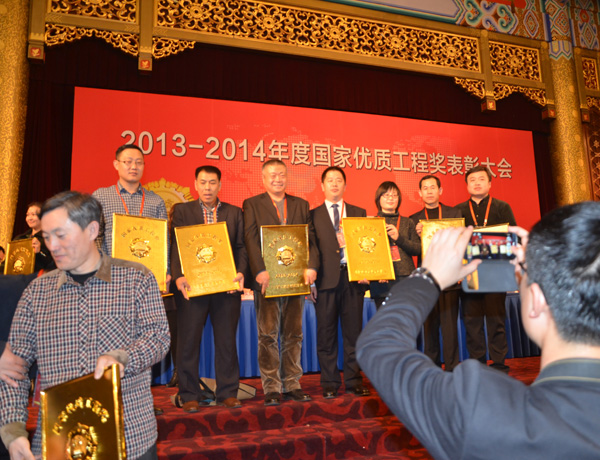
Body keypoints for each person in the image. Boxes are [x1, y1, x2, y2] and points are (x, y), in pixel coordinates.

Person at [358, 202, 600, 459]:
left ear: (538, 301)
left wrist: (428, 277)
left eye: (523, 273)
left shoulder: (481, 408)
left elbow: (378, 345)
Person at [0, 191, 170, 460]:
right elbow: (13, 369)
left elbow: (158, 337)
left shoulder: (136, 278)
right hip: (58, 443)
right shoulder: (36, 292)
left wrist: (124, 357)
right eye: (46, 236)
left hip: (129, 437)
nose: (52, 245)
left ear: (92, 230)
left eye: (61, 235)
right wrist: (13, 431)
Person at [93, 144, 173, 399]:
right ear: (116, 164)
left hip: (145, 283)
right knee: (111, 337)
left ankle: (140, 398)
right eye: (127, 161)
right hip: (110, 281)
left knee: (144, 339)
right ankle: (108, 396)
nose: (133, 166)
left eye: (138, 162)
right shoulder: (101, 196)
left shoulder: (155, 201)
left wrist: (165, 271)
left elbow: (164, 241)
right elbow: (94, 236)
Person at [170, 166, 247, 412]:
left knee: (226, 342)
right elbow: (175, 246)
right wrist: (178, 276)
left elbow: (241, 246)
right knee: (188, 342)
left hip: (226, 288)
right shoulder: (182, 211)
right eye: (203, 182)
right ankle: (189, 394)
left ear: (220, 185)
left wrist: (240, 272)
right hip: (192, 287)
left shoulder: (234, 212)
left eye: (212, 183)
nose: (207, 187)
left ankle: (228, 393)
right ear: (195, 184)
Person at [243, 159, 318, 406]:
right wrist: (259, 271)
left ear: (287, 177)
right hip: (267, 280)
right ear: (263, 179)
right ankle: (272, 386)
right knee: (267, 335)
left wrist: (311, 268)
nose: (278, 179)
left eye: (282, 175)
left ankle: (293, 383)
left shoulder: (300, 204)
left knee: (294, 334)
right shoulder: (252, 204)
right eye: (273, 175)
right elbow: (250, 239)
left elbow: (310, 240)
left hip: (295, 278)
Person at [310, 166, 371, 398]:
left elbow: (367, 246)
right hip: (325, 280)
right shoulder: (312, 215)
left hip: (352, 280)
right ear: (322, 185)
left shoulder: (358, 212)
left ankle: (354, 380)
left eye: (339, 180)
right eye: (330, 180)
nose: (334, 184)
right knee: (326, 334)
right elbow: (311, 249)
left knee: (354, 333)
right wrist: (311, 282)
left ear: (345, 185)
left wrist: (366, 270)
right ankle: (329, 382)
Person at [455, 165, 516, 373]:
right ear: (467, 185)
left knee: (496, 319)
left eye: (481, 179)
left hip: (496, 272)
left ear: (490, 183)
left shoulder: (502, 207)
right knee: (472, 321)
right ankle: (478, 363)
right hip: (470, 273)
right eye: (472, 180)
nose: (477, 183)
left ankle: (499, 363)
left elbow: (512, 237)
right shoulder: (458, 211)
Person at [409, 175, 462, 372]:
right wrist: (417, 235)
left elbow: (460, 242)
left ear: (440, 191)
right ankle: (432, 368)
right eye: (425, 188)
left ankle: (452, 368)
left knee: (449, 328)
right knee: (429, 327)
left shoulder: (453, 214)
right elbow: (414, 248)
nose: (429, 191)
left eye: (433, 187)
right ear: (420, 193)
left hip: (449, 277)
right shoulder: (414, 219)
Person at [370, 181, 421, 309]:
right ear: (378, 199)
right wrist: (377, 272)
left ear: (399, 199)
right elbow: (367, 252)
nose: (390, 198)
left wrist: (399, 238)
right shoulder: (371, 223)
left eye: (394, 195)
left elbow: (418, 249)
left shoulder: (408, 222)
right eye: (386, 195)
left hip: (405, 279)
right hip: (381, 279)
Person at [13, 202, 55, 272]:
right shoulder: (20, 238)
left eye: (33, 214)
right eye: (28, 215)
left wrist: (39, 252)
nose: (29, 218)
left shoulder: (49, 239)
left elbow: (52, 264)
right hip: (19, 276)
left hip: (39, 276)